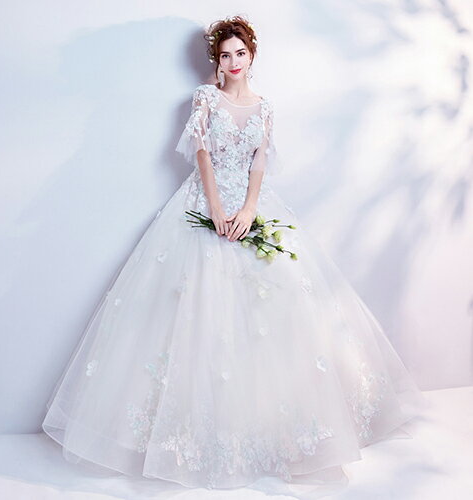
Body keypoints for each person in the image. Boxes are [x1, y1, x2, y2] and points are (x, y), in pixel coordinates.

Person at [42, 14, 427, 492]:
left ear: (252, 54)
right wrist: (217, 208)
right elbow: (202, 154)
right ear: (216, 61)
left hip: (250, 207)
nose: (233, 62)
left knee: (278, 310)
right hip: (204, 205)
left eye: (240, 53)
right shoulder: (205, 99)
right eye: (225, 55)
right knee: (192, 313)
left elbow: (259, 161)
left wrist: (247, 209)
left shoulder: (265, 107)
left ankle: (275, 433)